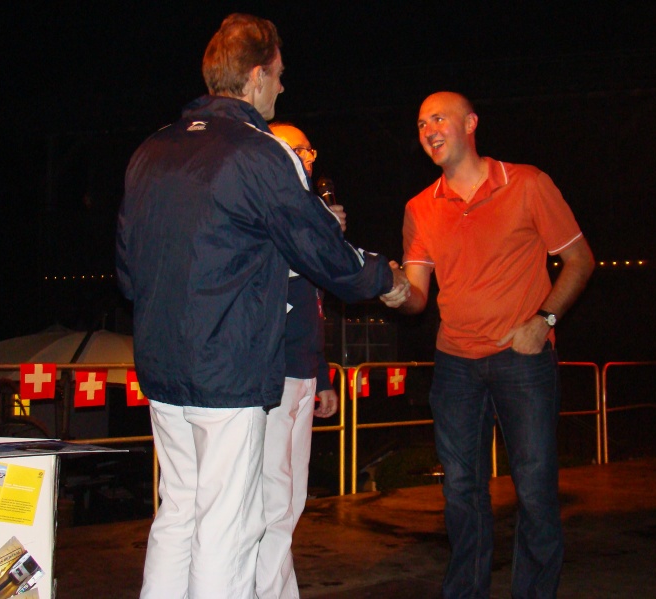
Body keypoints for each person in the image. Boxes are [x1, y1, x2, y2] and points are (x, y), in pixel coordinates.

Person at [116, 14, 409, 599]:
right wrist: (386, 278)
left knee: (178, 512)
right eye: (278, 74)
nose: (282, 86)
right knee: (228, 524)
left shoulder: (151, 150)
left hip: (162, 366)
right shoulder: (260, 152)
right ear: (254, 77)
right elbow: (321, 248)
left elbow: (128, 272)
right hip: (228, 370)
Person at [393, 91, 595, 599]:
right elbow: (417, 297)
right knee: (461, 491)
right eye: (421, 123)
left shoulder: (526, 183)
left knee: (535, 488)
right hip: (455, 363)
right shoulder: (420, 207)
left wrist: (543, 320)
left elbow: (580, 260)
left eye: (439, 118)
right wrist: (394, 291)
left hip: (521, 359)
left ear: (471, 124)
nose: (429, 130)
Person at [256, 122, 341, 599]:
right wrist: (322, 237)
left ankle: (275, 588)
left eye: (309, 150)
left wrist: (322, 375)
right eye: (297, 150)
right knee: (272, 496)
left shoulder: (306, 210)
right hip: (271, 373)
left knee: (292, 497)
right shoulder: (265, 206)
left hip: (303, 372)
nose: (308, 159)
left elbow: (313, 304)